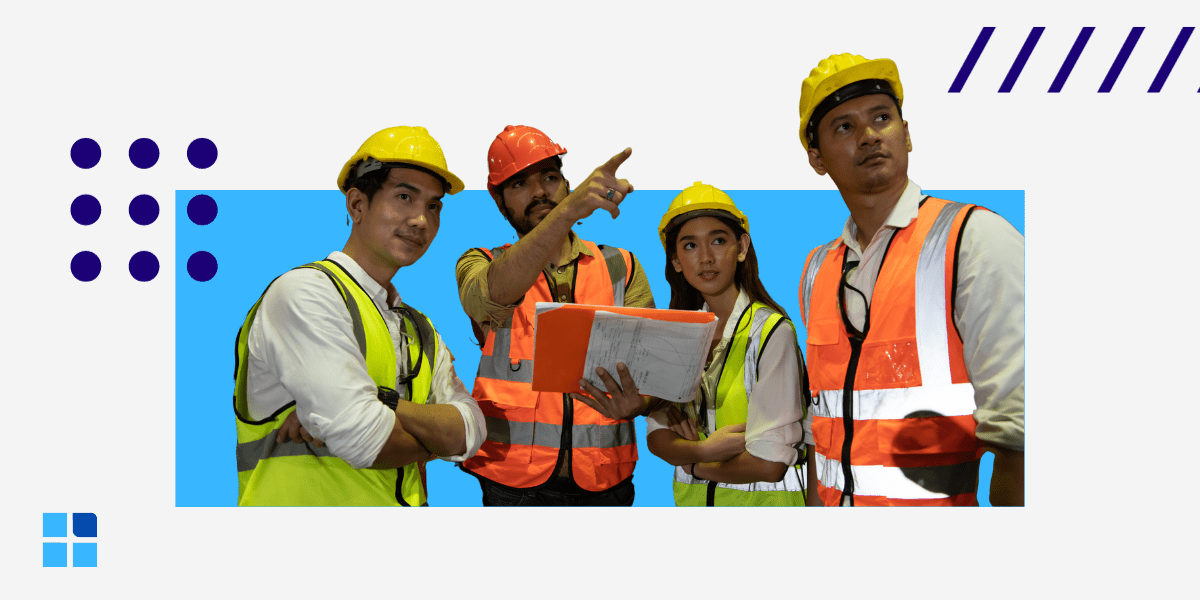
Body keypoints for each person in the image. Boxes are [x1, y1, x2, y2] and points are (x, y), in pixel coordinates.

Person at [797, 54, 1025, 506]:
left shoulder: (973, 238)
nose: (869, 135)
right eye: (844, 126)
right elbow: (821, 419)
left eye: (882, 117)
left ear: (907, 134)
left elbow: (1025, 434)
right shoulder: (817, 269)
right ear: (817, 159)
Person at [233, 126, 486, 506]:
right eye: (404, 197)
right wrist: (435, 435)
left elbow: (471, 431)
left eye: (434, 206)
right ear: (357, 205)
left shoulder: (420, 328)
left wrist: (385, 405)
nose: (421, 220)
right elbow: (368, 441)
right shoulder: (305, 294)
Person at [456, 125, 656, 506]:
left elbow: (651, 373)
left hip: (605, 480)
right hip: (511, 484)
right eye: (519, 185)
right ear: (500, 203)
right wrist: (567, 212)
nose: (539, 192)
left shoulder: (622, 266)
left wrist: (642, 404)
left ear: (566, 184)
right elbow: (488, 298)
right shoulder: (481, 263)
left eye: (550, 177)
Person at [645, 182, 814, 506]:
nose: (706, 257)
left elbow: (769, 465)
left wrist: (693, 462)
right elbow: (657, 436)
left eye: (718, 240)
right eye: (690, 245)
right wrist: (705, 450)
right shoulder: (677, 334)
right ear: (676, 260)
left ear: (742, 247)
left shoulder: (772, 332)